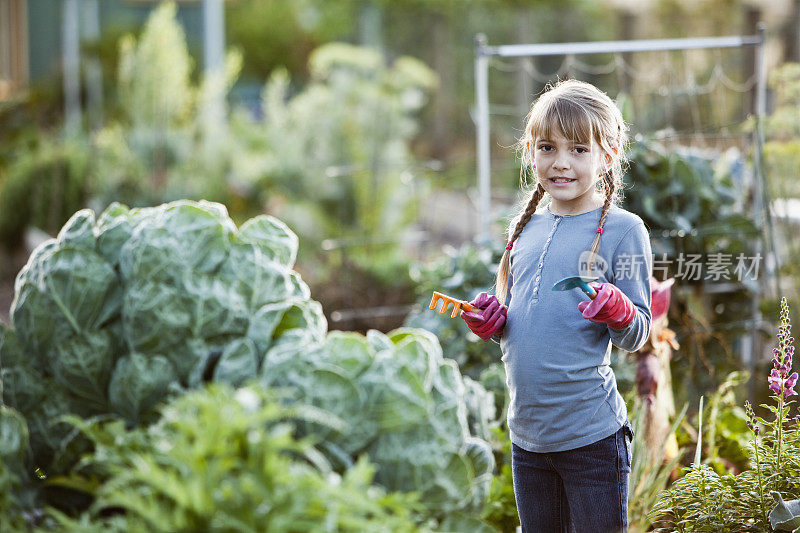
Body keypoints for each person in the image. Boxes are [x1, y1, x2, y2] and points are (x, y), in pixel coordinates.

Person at [461, 78, 652, 533]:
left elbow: (639, 330)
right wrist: (493, 321)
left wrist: (620, 311)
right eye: (547, 147)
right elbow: (520, 319)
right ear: (530, 151)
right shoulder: (525, 227)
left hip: (591, 439)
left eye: (579, 150)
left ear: (607, 156)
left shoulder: (624, 230)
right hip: (528, 438)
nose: (561, 163)